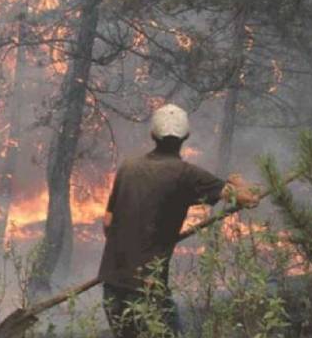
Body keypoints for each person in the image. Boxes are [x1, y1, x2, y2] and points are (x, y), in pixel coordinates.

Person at [99, 104, 260, 337]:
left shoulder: (128, 167)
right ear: (186, 136)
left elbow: (107, 222)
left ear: (152, 134)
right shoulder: (187, 175)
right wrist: (237, 181)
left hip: (112, 286)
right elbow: (249, 199)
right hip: (148, 289)